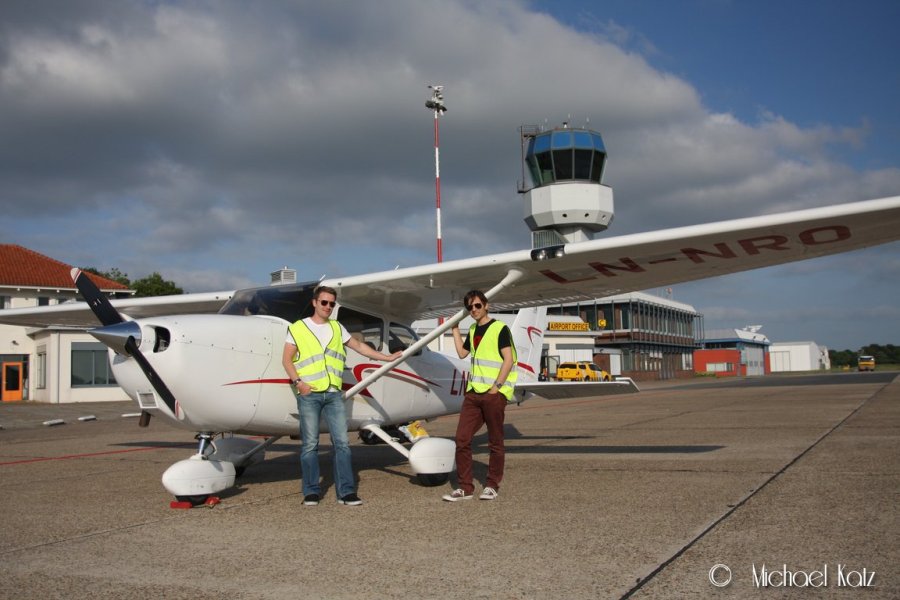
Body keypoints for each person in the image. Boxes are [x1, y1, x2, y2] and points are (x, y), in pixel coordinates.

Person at [282, 285, 401, 506]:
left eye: (331, 303)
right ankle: (311, 492)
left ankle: (346, 492)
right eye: (324, 302)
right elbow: (286, 359)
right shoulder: (297, 328)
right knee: (310, 445)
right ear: (315, 303)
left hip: (334, 394)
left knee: (342, 444)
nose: (328, 306)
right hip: (309, 394)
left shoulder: (337, 328)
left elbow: (360, 347)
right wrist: (299, 384)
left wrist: (387, 358)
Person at [442, 290, 517, 502]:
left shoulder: (500, 328)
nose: (473, 310)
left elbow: (509, 359)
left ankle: (492, 485)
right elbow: (462, 353)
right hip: (474, 393)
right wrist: (454, 328)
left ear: (486, 305)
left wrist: (497, 387)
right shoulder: (474, 329)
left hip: (493, 394)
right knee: (462, 439)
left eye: (477, 305)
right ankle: (465, 488)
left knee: (495, 442)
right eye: (469, 307)